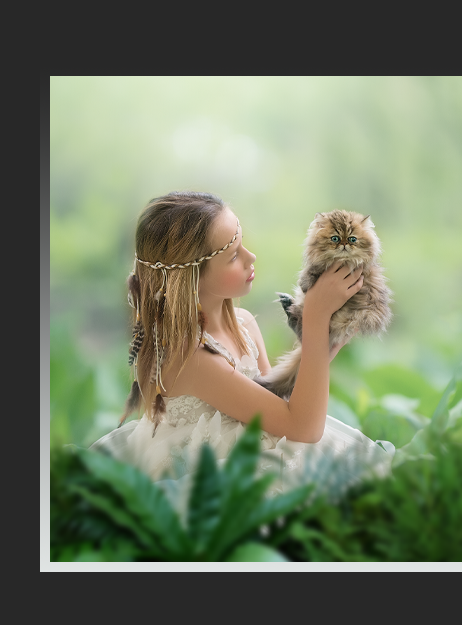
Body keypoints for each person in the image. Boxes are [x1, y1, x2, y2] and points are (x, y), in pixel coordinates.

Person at [89, 191, 394, 513]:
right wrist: (316, 317)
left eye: (243, 243)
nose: (251, 257)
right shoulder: (191, 357)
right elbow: (304, 428)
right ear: (192, 275)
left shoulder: (243, 324)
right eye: (233, 255)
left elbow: (278, 406)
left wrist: (323, 347)